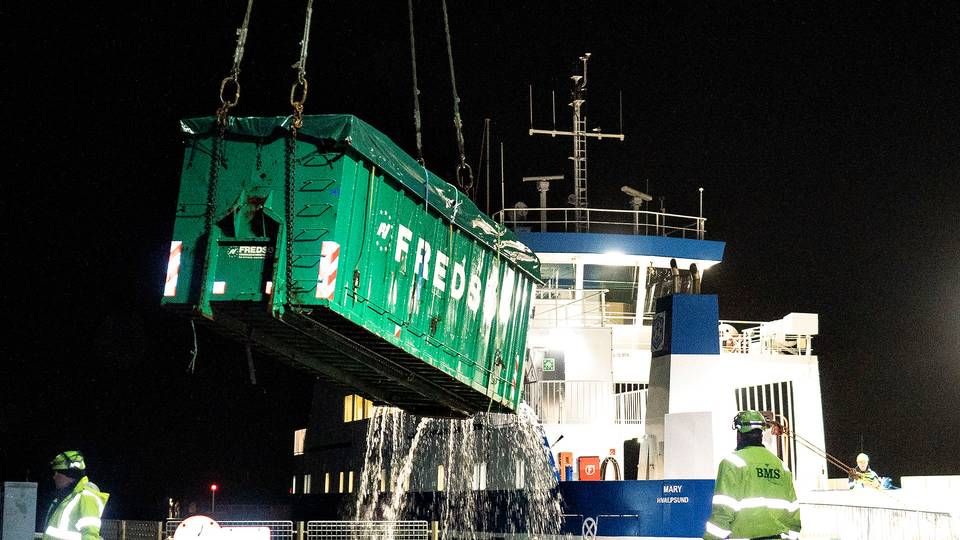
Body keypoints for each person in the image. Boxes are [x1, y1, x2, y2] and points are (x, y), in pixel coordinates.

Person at [703, 411, 801, 540]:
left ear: (739, 432)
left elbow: (723, 512)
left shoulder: (732, 463)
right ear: (761, 433)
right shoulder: (781, 466)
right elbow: (793, 513)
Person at [42, 450, 110, 540]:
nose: (54, 477)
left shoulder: (86, 497)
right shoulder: (66, 498)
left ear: (69, 475)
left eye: (57, 473)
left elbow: (90, 535)